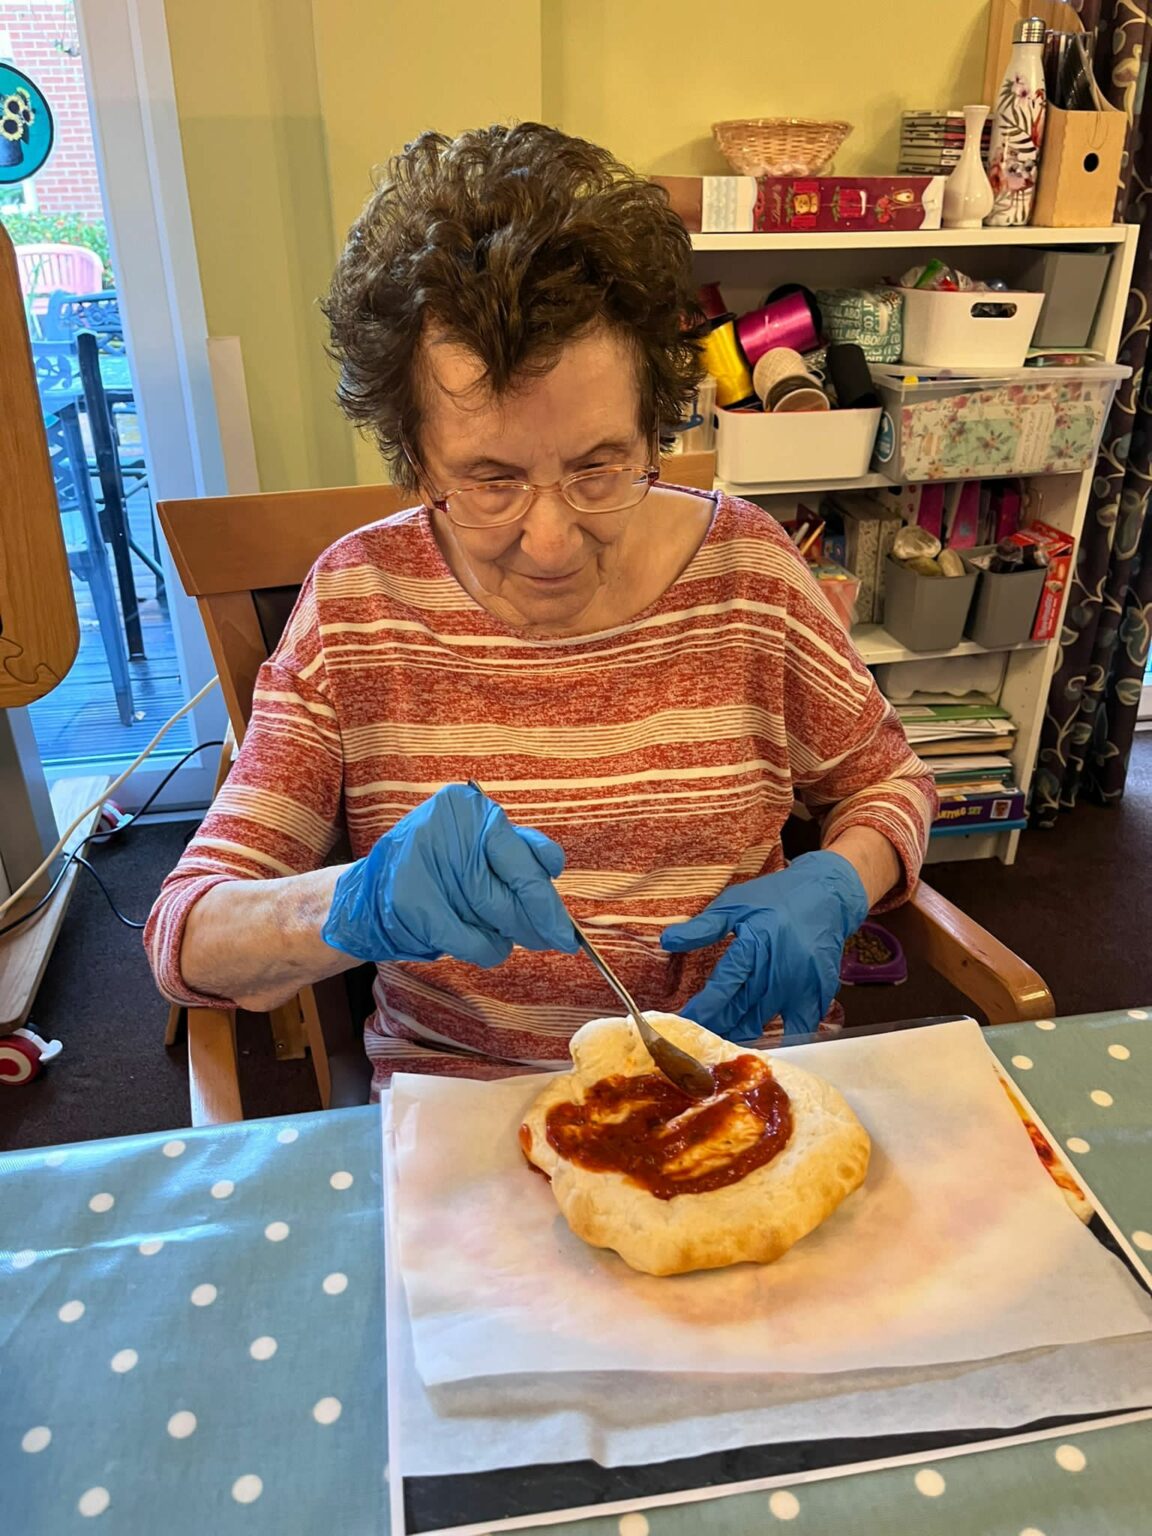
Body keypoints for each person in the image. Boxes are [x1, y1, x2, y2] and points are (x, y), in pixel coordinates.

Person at [145, 123, 936, 1095]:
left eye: (601, 466)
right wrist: (349, 904)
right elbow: (186, 934)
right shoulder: (359, 606)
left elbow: (889, 783)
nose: (552, 543)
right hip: (468, 1115)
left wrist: (842, 878)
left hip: (732, 1082)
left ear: (655, 430)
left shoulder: (750, 572)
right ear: (415, 461)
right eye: (490, 480)